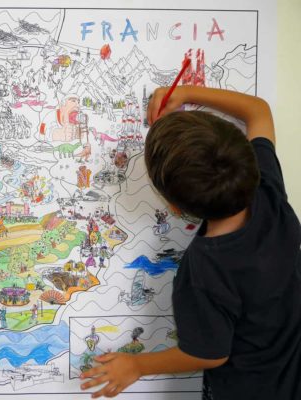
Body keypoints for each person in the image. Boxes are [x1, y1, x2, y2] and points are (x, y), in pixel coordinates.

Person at [80, 86, 301, 399]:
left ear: (172, 207)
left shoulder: (204, 270)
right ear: (247, 159)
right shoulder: (268, 194)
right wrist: (186, 93)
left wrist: (138, 366)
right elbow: (258, 111)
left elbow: (209, 354)